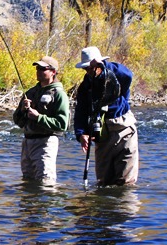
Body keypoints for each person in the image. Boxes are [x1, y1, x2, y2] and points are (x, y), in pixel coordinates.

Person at [74, 46, 139, 186]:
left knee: (125, 183)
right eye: (86, 69)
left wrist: (104, 65)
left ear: (99, 64)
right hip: (102, 134)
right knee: (104, 182)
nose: (89, 72)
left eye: (91, 68)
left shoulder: (115, 75)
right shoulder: (85, 87)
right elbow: (80, 112)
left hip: (124, 131)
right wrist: (81, 134)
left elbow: (128, 75)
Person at [13, 56, 70, 184]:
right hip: (27, 143)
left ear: (53, 72)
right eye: (37, 68)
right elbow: (18, 122)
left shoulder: (59, 94)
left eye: (42, 68)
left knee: (45, 182)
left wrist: (39, 117)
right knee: (27, 182)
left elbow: (62, 124)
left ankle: (47, 205)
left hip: (46, 143)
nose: (38, 71)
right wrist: (22, 110)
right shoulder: (31, 92)